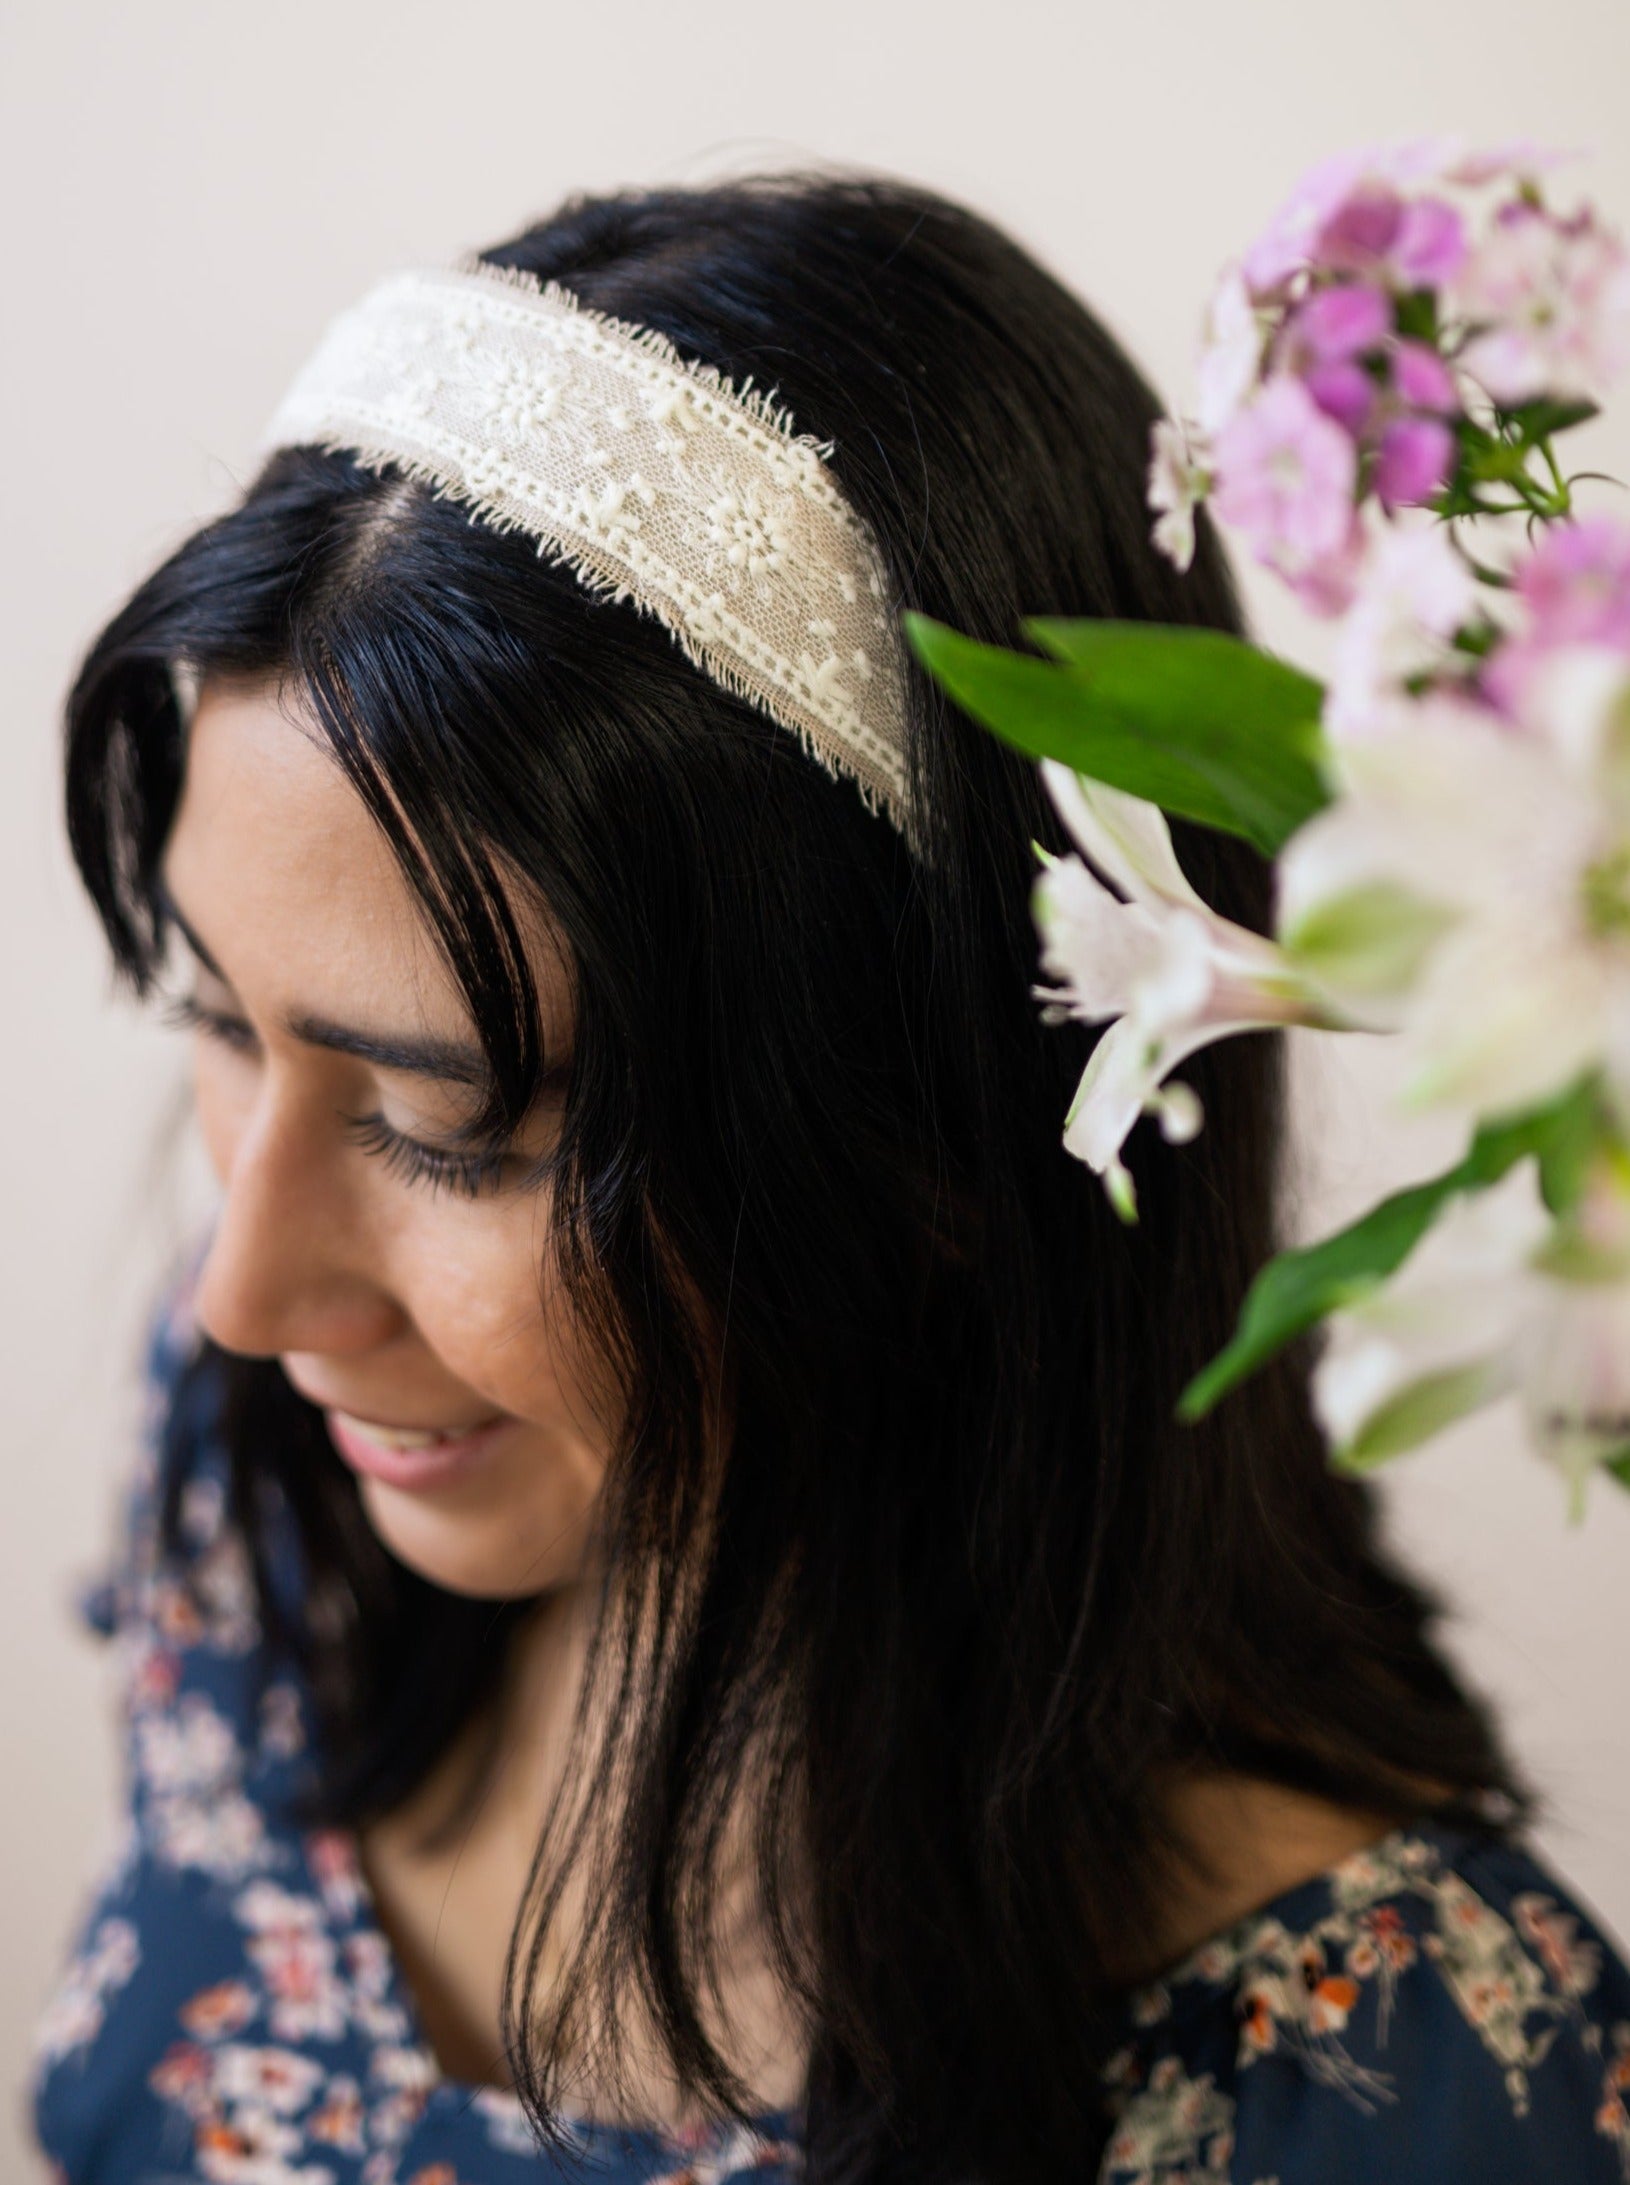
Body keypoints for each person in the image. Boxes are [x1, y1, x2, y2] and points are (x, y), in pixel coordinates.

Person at [29, 171, 1630, 2185]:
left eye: (444, 1123)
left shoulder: (1404, 2089)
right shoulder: (284, 1517)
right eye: (218, 1017)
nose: (241, 1301)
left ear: (933, 1126)